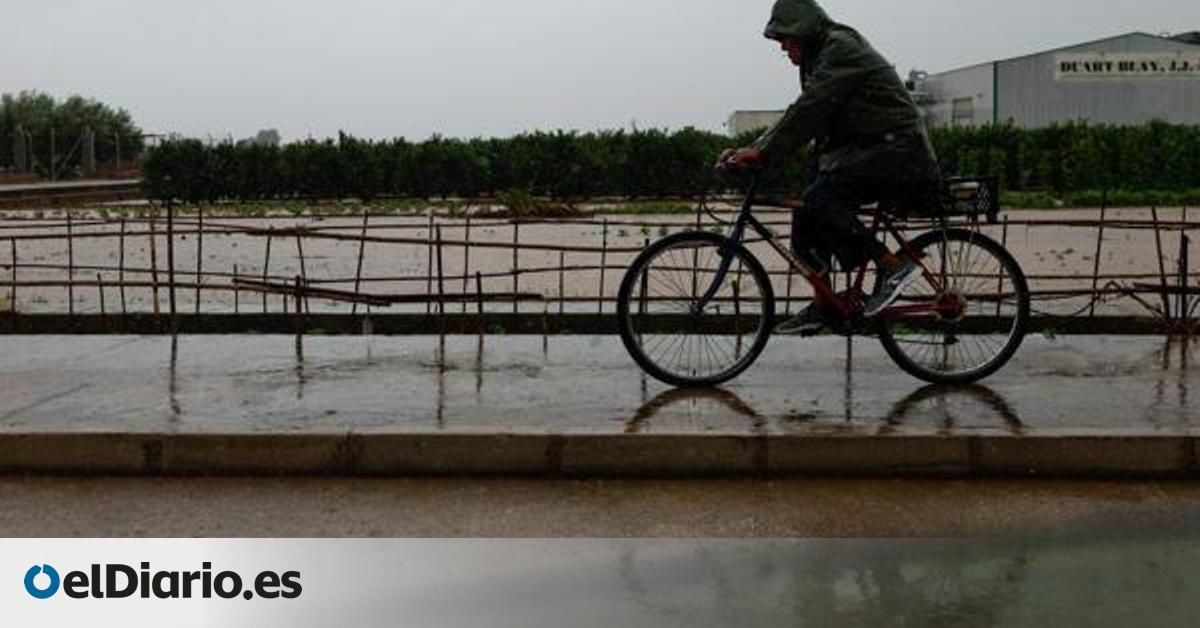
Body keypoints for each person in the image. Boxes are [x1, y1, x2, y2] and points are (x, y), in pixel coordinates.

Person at [719, 0, 940, 334]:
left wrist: (762, 152)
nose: (784, 48)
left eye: (787, 40)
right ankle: (825, 307)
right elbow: (818, 126)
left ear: (803, 31)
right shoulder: (820, 57)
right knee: (808, 209)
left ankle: (893, 265)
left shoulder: (840, 49)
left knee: (820, 199)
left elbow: (810, 108)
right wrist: (763, 155)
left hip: (896, 152)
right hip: (868, 150)